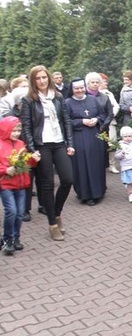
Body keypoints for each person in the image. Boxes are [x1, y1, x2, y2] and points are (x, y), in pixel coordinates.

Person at [20, 65, 75, 241]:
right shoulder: (28, 100)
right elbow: (26, 127)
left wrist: (70, 143)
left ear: (49, 78)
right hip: (41, 145)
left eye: (44, 77)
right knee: (47, 185)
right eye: (38, 78)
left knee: (67, 180)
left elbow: (66, 121)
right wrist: (32, 149)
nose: (42, 81)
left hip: (59, 143)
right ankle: (52, 224)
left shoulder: (58, 98)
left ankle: (57, 213)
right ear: (33, 81)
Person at [0, 116, 40, 255]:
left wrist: (34, 160)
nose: (16, 133)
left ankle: (16, 237)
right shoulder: (0, 145)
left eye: (18, 130)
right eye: (13, 130)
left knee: (20, 213)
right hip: (6, 184)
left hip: (21, 184)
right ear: (5, 129)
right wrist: (5, 170)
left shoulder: (20, 144)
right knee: (11, 211)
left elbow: (27, 164)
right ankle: (8, 239)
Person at [65, 78, 108, 206]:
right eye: (76, 88)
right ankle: (85, 194)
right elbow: (66, 122)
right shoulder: (67, 103)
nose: (80, 90)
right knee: (82, 166)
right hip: (78, 137)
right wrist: (81, 121)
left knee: (97, 164)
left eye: (82, 87)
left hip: (95, 136)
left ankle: (99, 191)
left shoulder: (93, 99)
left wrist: (96, 119)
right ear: (72, 90)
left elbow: (103, 114)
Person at [99, 73, 120, 174]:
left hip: (111, 123)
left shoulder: (109, 94)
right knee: (99, 145)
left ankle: (112, 165)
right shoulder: (93, 95)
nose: (106, 82)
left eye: (106, 80)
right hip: (98, 124)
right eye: (104, 80)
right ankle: (100, 165)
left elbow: (116, 106)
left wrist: (111, 115)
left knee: (112, 144)